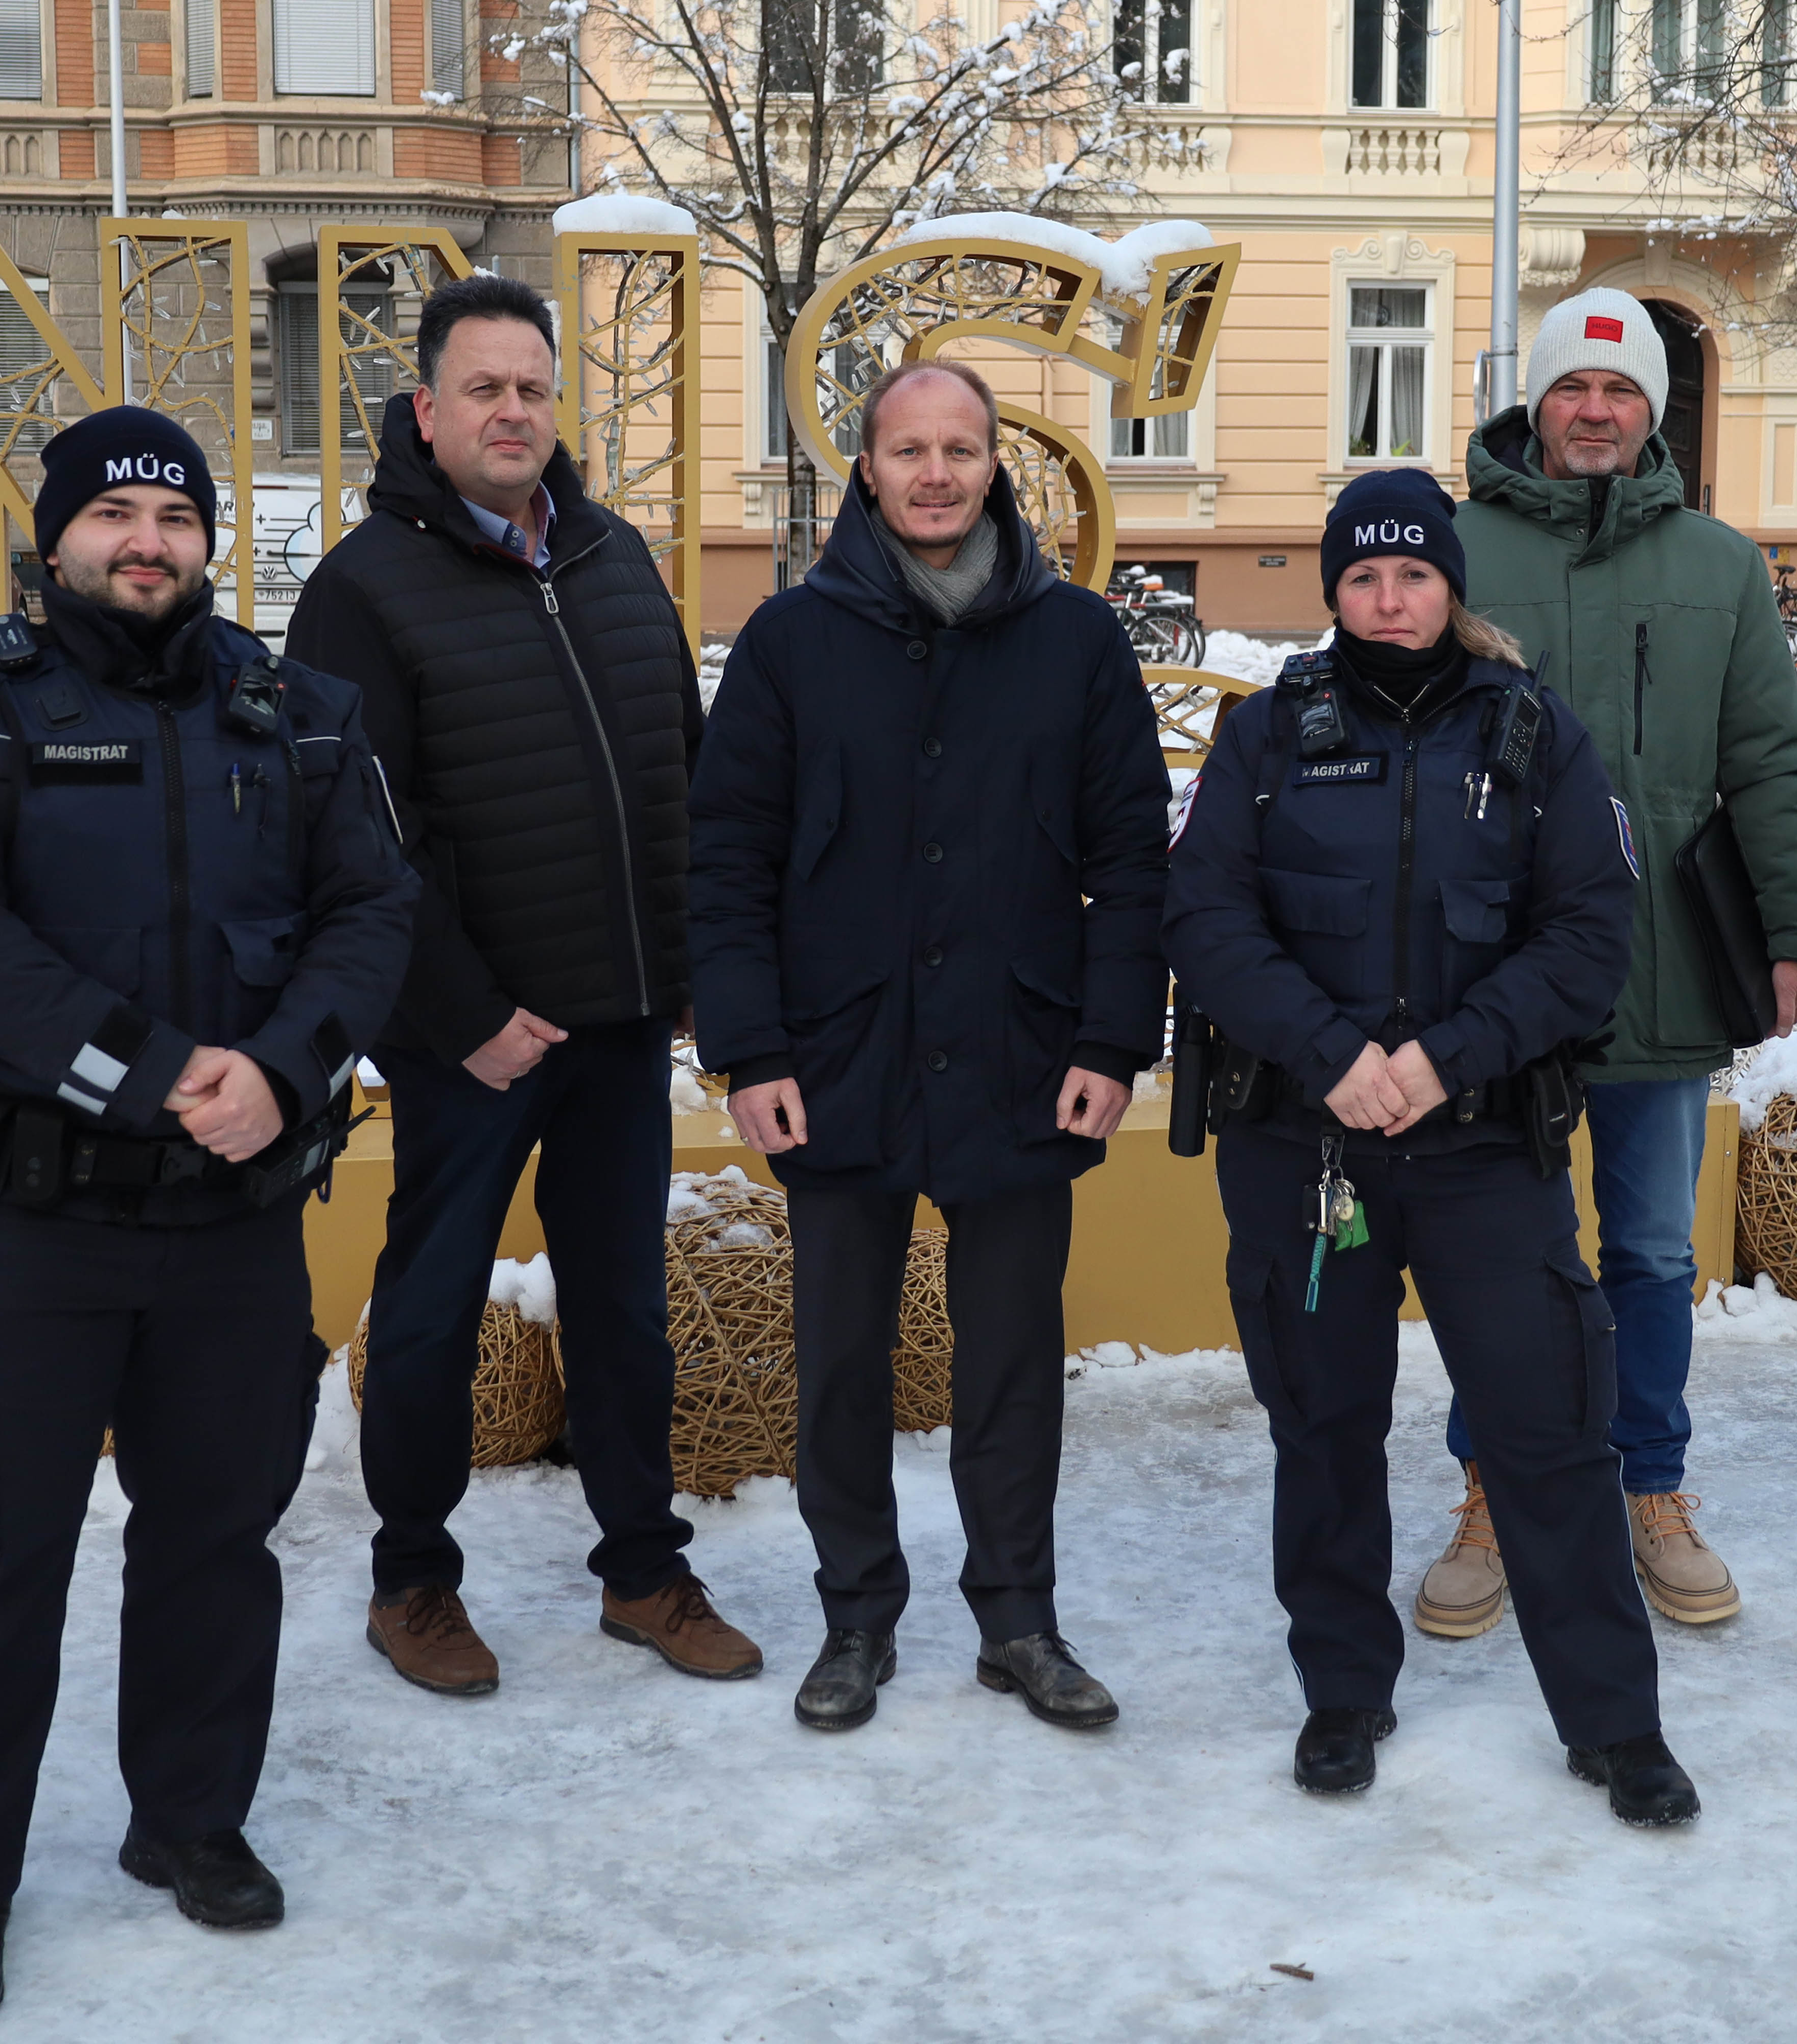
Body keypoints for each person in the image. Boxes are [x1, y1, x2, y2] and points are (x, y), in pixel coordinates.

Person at [0, 405, 418, 2025]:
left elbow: (375, 908)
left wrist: (289, 1072)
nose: (146, 543)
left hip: (233, 1217)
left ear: (206, 541)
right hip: (27, 1223)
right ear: (58, 542)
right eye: (112, 516)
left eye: (172, 518)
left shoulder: (300, 713)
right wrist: (164, 1069)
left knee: (214, 1543)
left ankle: (189, 1823)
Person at [1164, 468, 1697, 1819]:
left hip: (1480, 1151)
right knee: (1323, 1426)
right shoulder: (1271, 735)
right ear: (1336, 590)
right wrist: (1333, 1054)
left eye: (1414, 576)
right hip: (1307, 1151)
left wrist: (1441, 1058)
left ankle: (1614, 1722)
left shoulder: (1535, 734)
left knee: (1552, 1432)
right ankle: (1344, 1692)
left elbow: (1588, 941)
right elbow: (1210, 922)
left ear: (1452, 585)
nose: (1390, 600)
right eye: (1364, 578)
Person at [287, 274, 765, 1697]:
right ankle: (412, 1583)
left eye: (534, 390)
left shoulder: (612, 557)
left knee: (626, 1304)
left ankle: (644, 1571)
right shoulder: (363, 590)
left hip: (617, 1023)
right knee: (432, 1308)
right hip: (469, 1040)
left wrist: (685, 968)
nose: (513, 412)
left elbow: (677, 771)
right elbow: (363, 838)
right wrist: (463, 1017)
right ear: (426, 410)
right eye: (485, 389)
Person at [688, 359, 1169, 1735]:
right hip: (837, 1062)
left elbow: (1134, 857)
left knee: (1011, 1361)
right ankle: (855, 1618)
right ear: (868, 468)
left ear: (995, 465)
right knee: (841, 1358)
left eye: (962, 448)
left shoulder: (1075, 640)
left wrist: (1111, 1037)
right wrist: (752, 1050)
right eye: (911, 450)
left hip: (1024, 1055)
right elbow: (727, 860)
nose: (937, 474)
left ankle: (1018, 1619)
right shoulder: (792, 643)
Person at [1422, 286, 1797, 1639]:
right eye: (1572, 389)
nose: (1595, 411)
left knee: (1653, 1253)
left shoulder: (1718, 566)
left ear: (1654, 410)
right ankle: (1493, 1484)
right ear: (1533, 403)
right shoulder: (1454, 551)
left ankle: (1650, 1488)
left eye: (1621, 392)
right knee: (1499, 1252)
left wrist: (1795, 937)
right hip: (1489, 978)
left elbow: (1771, 764)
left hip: (1661, 966)